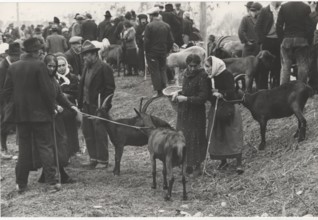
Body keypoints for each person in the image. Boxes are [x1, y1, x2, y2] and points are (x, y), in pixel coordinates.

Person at [1, 38, 59, 193]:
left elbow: (6, 93)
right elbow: (48, 92)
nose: (42, 53)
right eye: (40, 50)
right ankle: (52, 182)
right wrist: (51, 108)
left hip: (21, 116)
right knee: (45, 147)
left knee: (24, 150)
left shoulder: (13, 67)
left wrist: (15, 106)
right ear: (36, 51)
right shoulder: (39, 65)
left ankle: (21, 184)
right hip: (41, 116)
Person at [38, 54, 78, 184]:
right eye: (49, 66)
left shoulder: (53, 79)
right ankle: (57, 175)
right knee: (51, 146)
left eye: (54, 67)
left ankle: (47, 174)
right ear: (44, 66)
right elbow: (43, 97)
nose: (52, 69)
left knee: (59, 144)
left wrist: (71, 106)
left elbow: (60, 95)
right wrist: (55, 107)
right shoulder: (40, 80)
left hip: (56, 117)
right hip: (46, 118)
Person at [78, 40, 115, 169]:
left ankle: (103, 160)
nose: (84, 57)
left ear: (94, 54)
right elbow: (82, 86)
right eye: (84, 55)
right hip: (86, 105)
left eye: (87, 54)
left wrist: (104, 107)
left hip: (98, 106)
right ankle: (93, 158)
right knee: (88, 132)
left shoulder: (104, 68)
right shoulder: (86, 67)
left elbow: (110, 89)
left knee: (99, 132)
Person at [204, 56, 244, 174]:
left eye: (208, 66)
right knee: (218, 134)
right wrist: (213, 95)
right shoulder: (209, 78)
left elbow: (232, 91)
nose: (206, 69)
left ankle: (239, 162)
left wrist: (221, 93)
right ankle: (223, 161)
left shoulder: (227, 75)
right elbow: (207, 94)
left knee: (233, 134)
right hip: (216, 108)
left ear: (214, 65)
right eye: (205, 66)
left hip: (229, 107)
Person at [172, 54, 209, 177]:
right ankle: (187, 164)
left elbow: (203, 98)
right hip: (185, 112)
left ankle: (197, 167)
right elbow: (186, 90)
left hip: (196, 113)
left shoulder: (203, 76)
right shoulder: (185, 74)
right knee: (184, 137)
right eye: (190, 66)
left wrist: (186, 99)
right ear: (187, 65)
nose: (192, 68)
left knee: (196, 138)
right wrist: (178, 92)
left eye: (195, 66)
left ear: (199, 65)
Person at [276, 2, 314, 85]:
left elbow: (278, 25)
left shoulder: (284, 7)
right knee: (302, 66)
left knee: (285, 66)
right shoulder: (305, 7)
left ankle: (283, 90)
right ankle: (301, 89)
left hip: (287, 40)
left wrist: (282, 39)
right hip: (302, 40)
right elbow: (310, 26)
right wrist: (308, 39)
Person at [144, 7, 174, 97]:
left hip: (152, 53)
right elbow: (171, 40)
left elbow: (146, 41)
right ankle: (165, 88)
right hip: (163, 52)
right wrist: (167, 50)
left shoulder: (149, 26)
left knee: (155, 71)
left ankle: (159, 92)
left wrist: (147, 51)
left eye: (150, 16)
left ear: (152, 16)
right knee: (162, 69)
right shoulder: (166, 25)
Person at [55, 54, 80, 158]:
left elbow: (77, 92)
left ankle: (74, 150)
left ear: (66, 65)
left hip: (70, 107)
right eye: (59, 66)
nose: (61, 68)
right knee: (62, 132)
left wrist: (66, 95)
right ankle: (65, 152)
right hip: (59, 109)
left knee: (72, 130)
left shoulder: (73, 77)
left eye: (63, 65)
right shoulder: (54, 78)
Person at [0, 42, 21, 154]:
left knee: (20, 121)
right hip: (6, 101)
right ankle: (3, 146)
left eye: (18, 55)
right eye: (14, 56)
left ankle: (19, 145)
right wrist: (6, 103)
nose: (16, 58)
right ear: (8, 54)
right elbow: (2, 87)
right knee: (5, 122)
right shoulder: (3, 67)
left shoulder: (16, 64)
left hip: (17, 98)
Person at [255, 1, 282, 89]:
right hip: (267, 41)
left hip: (278, 41)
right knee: (264, 66)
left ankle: (276, 87)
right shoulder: (265, 10)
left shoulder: (282, 9)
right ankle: (263, 89)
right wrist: (263, 40)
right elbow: (257, 27)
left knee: (278, 65)